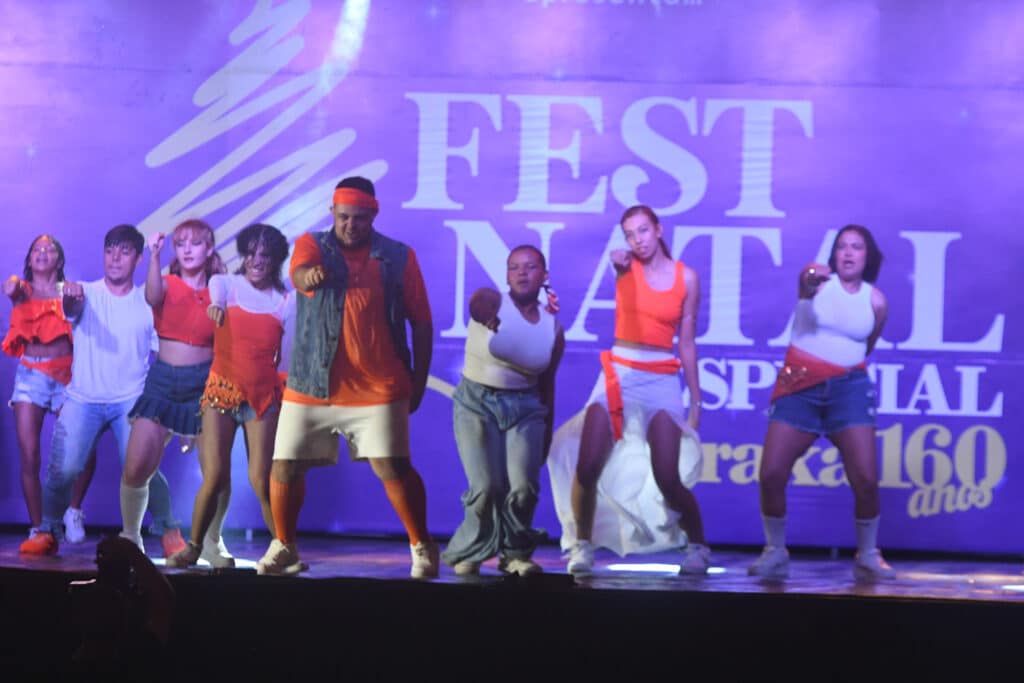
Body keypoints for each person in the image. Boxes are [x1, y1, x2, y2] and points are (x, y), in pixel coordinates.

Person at [256, 176, 438, 578]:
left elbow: (422, 322)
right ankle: (284, 544)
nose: (350, 225)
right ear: (332, 213)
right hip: (312, 382)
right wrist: (309, 277)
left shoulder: (398, 257)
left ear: (373, 215)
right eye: (343, 217)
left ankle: (422, 544)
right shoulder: (312, 244)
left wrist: (419, 380)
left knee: (392, 467)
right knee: (284, 465)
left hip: (379, 386)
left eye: (358, 218)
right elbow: (299, 273)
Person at [548, 205, 709, 575]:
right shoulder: (625, 265)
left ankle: (699, 545)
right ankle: (582, 546)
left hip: (661, 380)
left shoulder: (687, 278)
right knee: (588, 465)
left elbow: (686, 343)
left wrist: (696, 401)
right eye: (630, 234)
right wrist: (619, 262)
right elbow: (619, 263)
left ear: (659, 229)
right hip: (618, 375)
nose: (638, 240)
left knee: (667, 477)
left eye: (643, 230)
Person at [19, 225, 184, 556]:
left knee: (142, 467)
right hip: (83, 398)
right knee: (63, 469)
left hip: (132, 400)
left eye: (124, 252)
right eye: (110, 251)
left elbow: (165, 353)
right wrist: (70, 300)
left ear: (138, 259)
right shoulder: (84, 293)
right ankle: (48, 530)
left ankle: (168, 530)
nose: (115, 258)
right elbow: (71, 308)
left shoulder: (148, 302)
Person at [749, 224, 894, 581]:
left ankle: (868, 554)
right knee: (771, 473)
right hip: (800, 387)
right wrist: (810, 277)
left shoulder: (876, 300)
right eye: (842, 246)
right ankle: (775, 551)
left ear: (867, 256)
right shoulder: (817, 284)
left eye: (856, 247)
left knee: (865, 478)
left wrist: (841, 368)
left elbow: (867, 345)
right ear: (834, 255)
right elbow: (807, 278)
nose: (848, 253)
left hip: (849, 390)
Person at [167, 224, 293, 568]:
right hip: (221, 391)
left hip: (262, 398)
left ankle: (284, 548)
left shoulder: (285, 301)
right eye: (250, 253)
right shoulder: (227, 285)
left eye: (265, 254)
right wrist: (218, 306)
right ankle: (194, 548)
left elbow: (286, 362)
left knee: (261, 479)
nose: (256, 260)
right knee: (215, 476)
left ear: (276, 259)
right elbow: (217, 290)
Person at [440, 245, 565, 576]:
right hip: (477, 404)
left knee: (523, 488)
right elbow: (477, 302)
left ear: (545, 275)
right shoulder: (492, 301)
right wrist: (487, 315)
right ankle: (472, 550)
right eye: (514, 267)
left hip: (526, 409)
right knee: (486, 487)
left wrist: (547, 432)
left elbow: (548, 384)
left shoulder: (552, 328)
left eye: (530, 266)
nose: (522, 272)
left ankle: (515, 554)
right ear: (507, 276)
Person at [119, 219, 224, 557]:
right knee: (137, 466)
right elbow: (151, 295)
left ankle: (211, 542)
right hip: (163, 382)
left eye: (195, 243)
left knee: (216, 471)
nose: (188, 250)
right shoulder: (166, 283)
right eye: (181, 244)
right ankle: (131, 537)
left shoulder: (220, 288)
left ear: (209, 248)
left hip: (205, 384)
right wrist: (153, 254)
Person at [3, 234, 93, 543]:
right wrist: (12, 284)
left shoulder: (68, 291)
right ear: (30, 259)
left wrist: (73, 296)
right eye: (36, 249)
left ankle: (73, 510)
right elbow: (11, 288)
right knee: (30, 455)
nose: (42, 253)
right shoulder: (22, 290)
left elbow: (76, 311)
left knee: (83, 449)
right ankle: (39, 527)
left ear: (60, 259)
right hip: (30, 376)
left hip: (68, 375)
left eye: (49, 249)